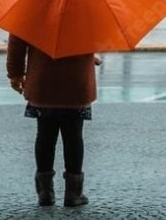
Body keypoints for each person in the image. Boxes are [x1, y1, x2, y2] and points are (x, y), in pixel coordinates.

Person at [6, 34, 100, 207]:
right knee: (73, 136)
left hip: (43, 80)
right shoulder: (86, 8)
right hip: (76, 79)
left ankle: (45, 193)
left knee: (45, 135)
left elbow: (17, 41)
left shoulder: (32, 9)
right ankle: (73, 193)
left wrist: (15, 74)